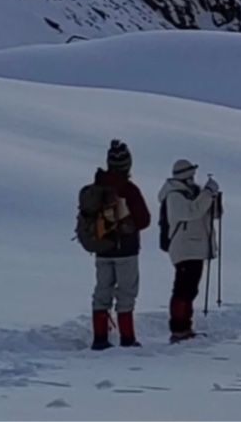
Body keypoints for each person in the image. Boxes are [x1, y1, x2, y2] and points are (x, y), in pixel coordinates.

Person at [89, 139, 150, 349]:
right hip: (126, 250)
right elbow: (144, 220)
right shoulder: (129, 189)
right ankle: (127, 338)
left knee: (101, 293)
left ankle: (99, 339)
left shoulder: (96, 187)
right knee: (126, 295)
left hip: (101, 249)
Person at [157, 159, 220, 343]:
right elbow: (192, 212)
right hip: (185, 247)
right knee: (183, 289)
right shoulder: (174, 195)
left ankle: (184, 326)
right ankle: (178, 328)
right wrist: (208, 193)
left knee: (189, 289)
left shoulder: (191, 193)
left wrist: (213, 199)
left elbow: (211, 213)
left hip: (194, 247)